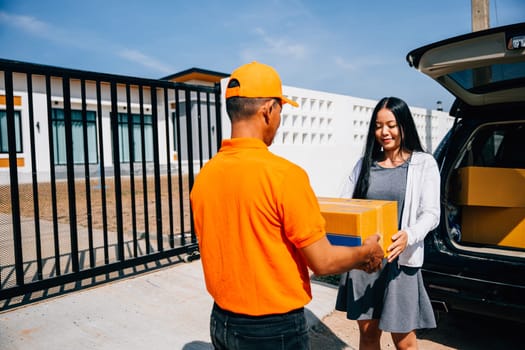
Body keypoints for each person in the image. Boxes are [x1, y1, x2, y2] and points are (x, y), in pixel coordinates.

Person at [190, 61, 384, 350]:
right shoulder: (284, 175)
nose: (279, 120)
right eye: (280, 110)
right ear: (268, 110)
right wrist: (366, 253)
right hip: (272, 329)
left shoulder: (206, 175)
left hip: (222, 321)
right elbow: (322, 261)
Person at [335, 96, 440, 350]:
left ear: (403, 125)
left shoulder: (423, 163)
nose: (385, 132)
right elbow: (343, 204)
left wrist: (409, 235)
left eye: (391, 125)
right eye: (379, 126)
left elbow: (431, 213)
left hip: (401, 264)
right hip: (365, 264)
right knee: (369, 336)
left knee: (405, 342)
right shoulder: (364, 166)